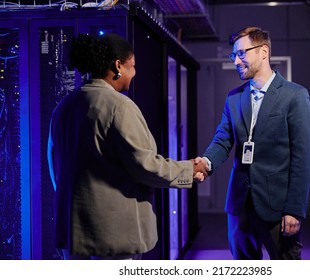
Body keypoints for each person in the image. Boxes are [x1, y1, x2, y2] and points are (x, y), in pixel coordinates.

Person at [47, 33, 208, 260]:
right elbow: (145, 166)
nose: (135, 73)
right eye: (133, 66)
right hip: (112, 237)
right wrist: (189, 169)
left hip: (72, 236)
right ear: (118, 66)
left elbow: (54, 167)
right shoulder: (119, 106)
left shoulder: (63, 106)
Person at [195, 26, 310, 260]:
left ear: (263, 51)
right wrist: (207, 162)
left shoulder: (295, 96)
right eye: (234, 55)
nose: (236, 61)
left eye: (241, 53)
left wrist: (294, 209)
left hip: (278, 207)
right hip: (240, 206)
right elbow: (223, 139)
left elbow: (304, 159)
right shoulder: (234, 97)